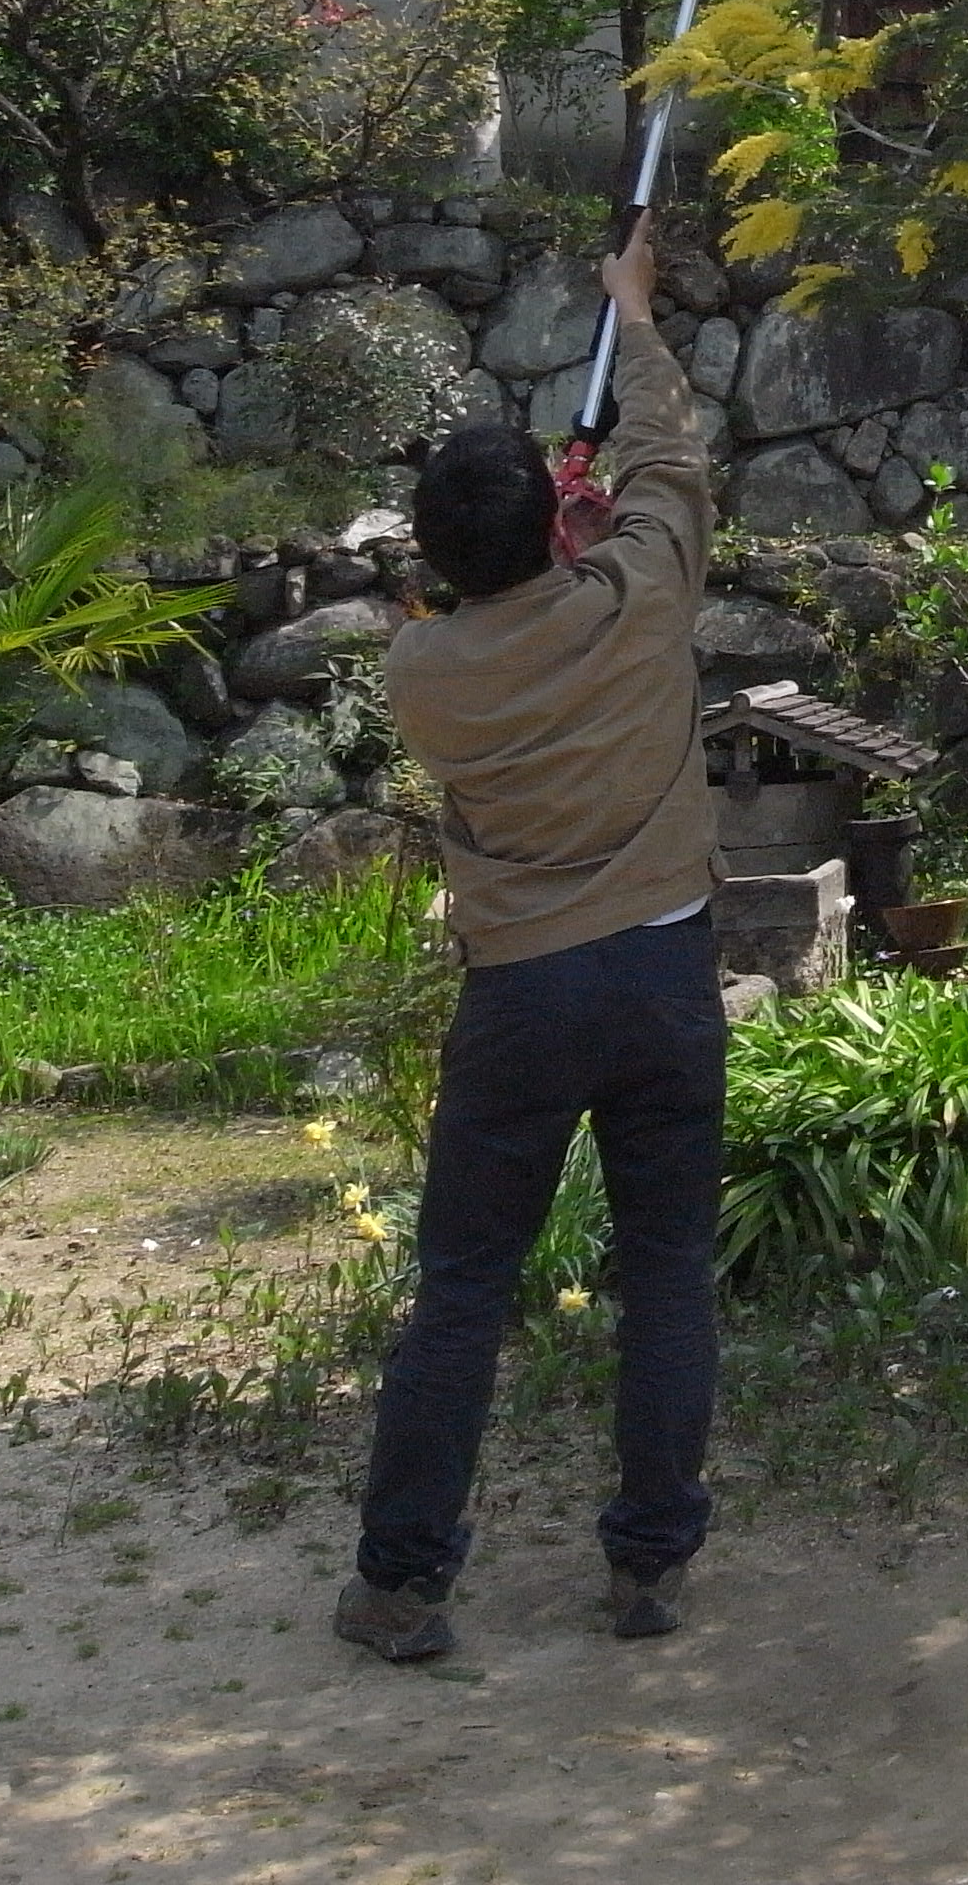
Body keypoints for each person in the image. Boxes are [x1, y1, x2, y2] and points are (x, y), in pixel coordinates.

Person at [336, 213, 722, 1663]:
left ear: (435, 554)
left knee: (464, 1289)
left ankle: (403, 1581)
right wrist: (637, 317)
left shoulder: (424, 672)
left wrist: (541, 535)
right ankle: (649, 1569)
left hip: (523, 997)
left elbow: (506, 587)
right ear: (559, 531)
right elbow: (668, 467)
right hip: (666, 978)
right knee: (668, 1267)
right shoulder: (640, 600)